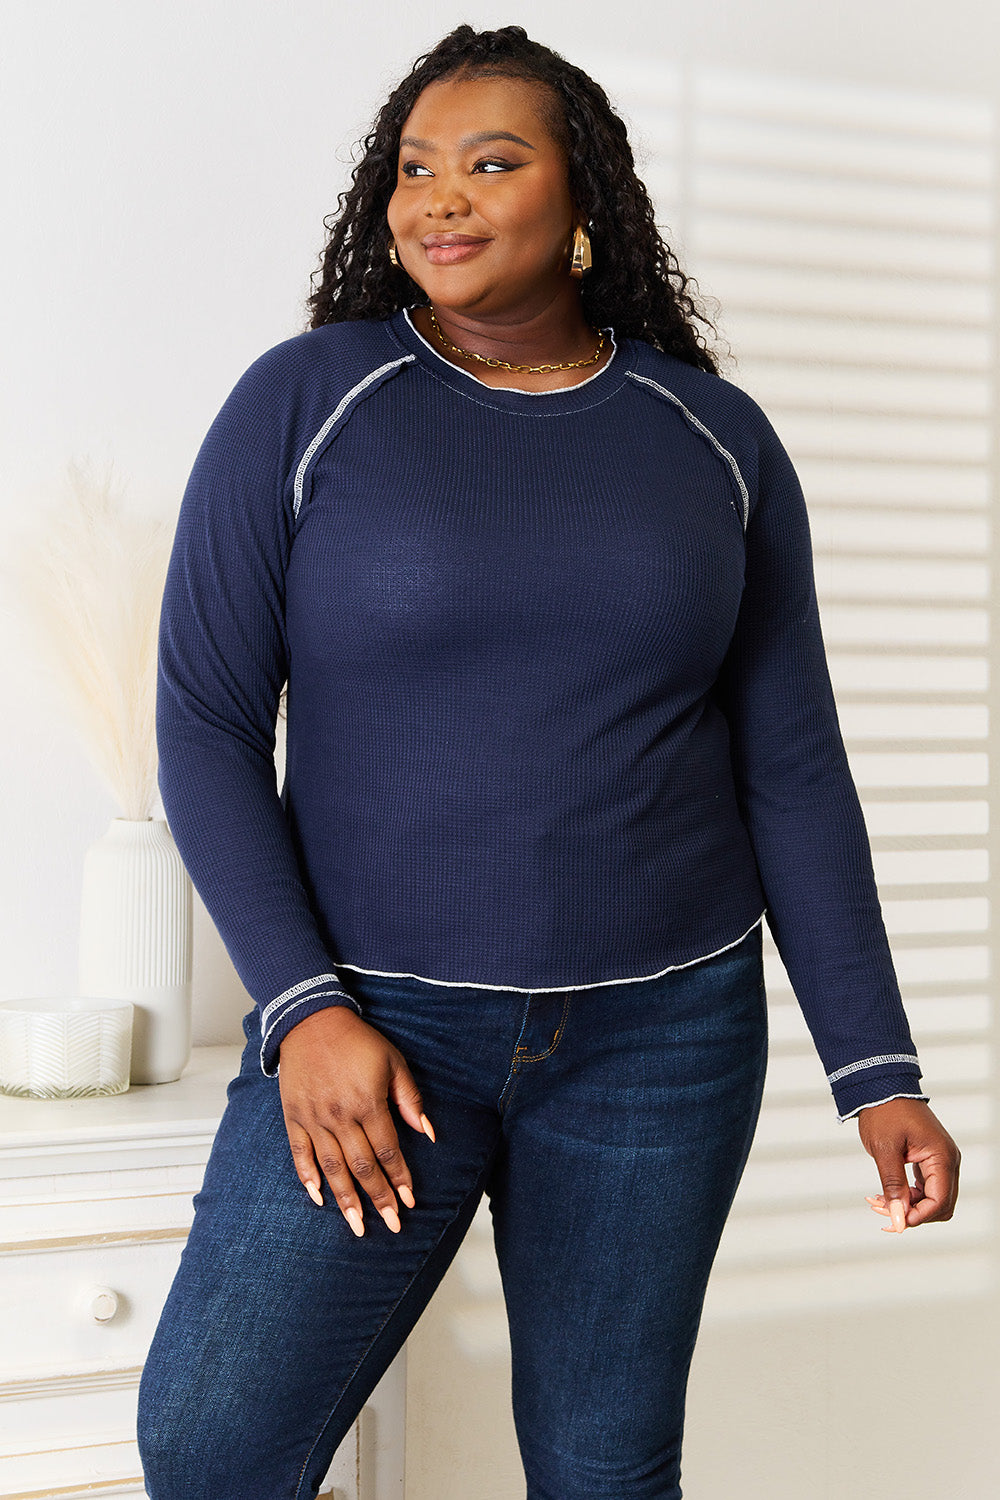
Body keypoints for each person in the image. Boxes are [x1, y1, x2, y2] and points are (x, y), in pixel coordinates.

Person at [136, 23, 961, 1500]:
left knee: (604, 1466)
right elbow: (202, 721)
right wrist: (304, 1011)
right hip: (376, 1033)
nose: (439, 198)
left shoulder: (713, 437)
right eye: (414, 168)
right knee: (214, 1449)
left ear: (585, 207)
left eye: (491, 162)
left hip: (665, 1039)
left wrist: (875, 1070)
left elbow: (794, 767)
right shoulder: (307, 401)